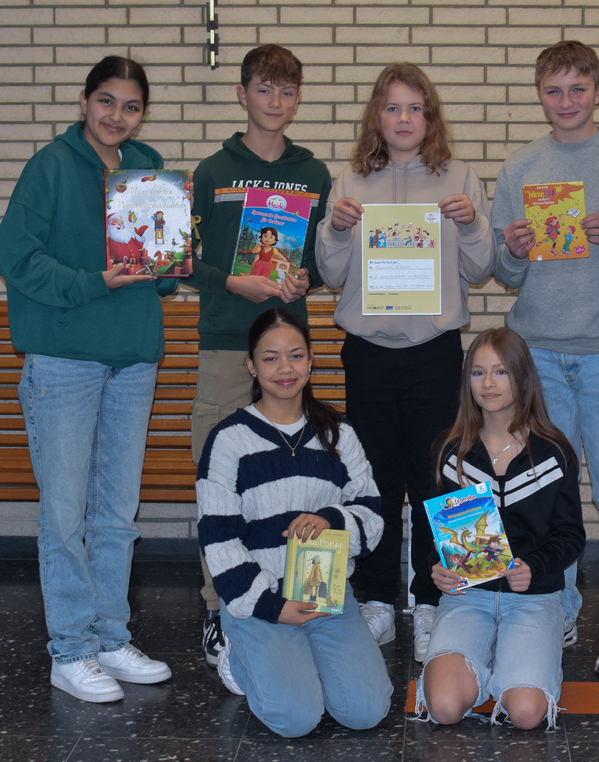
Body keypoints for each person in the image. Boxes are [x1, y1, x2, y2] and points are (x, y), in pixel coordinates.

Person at [0, 56, 175, 703]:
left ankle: (107, 635)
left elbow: (151, 270)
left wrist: (171, 263)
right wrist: (90, 283)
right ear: (84, 101)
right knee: (66, 510)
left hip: (132, 361)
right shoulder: (49, 167)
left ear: (141, 114)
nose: (116, 116)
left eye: (130, 106)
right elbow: (14, 257)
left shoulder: (145, 163)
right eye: (106, 102)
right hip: (63, 362)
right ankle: (69, 650)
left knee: (115, 511)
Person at [316, 62, 496, 662]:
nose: (403, 119)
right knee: (375, 479)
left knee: (436, 482)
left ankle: (430, 602)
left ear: (429, 116)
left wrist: (470, 223)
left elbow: (479, 267)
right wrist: (337, 231)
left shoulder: (459, 176)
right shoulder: (351, 179)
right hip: (368, 354)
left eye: (414, 108)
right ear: (377, 116)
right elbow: (331, 273)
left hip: (434, 354)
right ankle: (375, 600)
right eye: (392, 108)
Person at [492, 40, 599, 674]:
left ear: (597, 89)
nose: (566, 101)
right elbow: (507, 274)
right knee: (546, 493)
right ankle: (552, 606)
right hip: (538, 354)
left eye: (577, 88)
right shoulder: (520, 166)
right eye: (554, 90)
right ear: (540, 94)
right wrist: (511, 248)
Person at [187, 44, 331, 667]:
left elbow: (326, 260)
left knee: (290, 481)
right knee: (219, 487)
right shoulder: (211, 171)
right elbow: (180, 257)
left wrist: (307, 281)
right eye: (265, 90)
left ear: (298, 98)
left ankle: (293, 597)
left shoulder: (314, 174)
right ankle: (219, 612)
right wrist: (229, 282)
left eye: (288, 91)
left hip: (287, 351)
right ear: (241, 94)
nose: (276, 102)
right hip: (225, 345)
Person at [196, 308, 392, 737]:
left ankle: (301, 659)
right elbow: (218, 539)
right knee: (296, 719)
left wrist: (330, 519)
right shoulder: (228, 440)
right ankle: (240, 657)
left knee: (366, 711)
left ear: (310, 360)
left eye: (295, 356)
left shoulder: (339, 433)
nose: (285, 369)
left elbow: (372, 515)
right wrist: (272, 607)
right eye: (270, 358)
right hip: (260, 601)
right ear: (251, 365)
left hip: (325, 595)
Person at [415, 327, 585, 730]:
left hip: (534, 598)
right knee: (443, 707)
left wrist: (536, 566)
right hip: (467, 598)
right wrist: (436, 566)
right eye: (477, 373)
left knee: (526, 714)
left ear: (522, 378)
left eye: (500, 372)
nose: (488, 383)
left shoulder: (554, 452)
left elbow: (571, 535)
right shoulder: (449, 451)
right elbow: (431, 535)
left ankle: (517, 659)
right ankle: (489, 660)